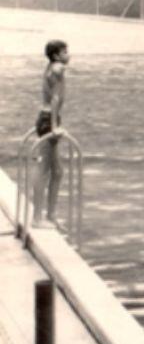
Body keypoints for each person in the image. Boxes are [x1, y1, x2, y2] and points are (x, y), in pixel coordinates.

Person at [34, 40, 69, 226]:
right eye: (65, 52)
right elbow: (55, 99)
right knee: (44, 170)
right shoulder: (58, 69)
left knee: (58, 171)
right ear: (56, 55)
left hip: (45, 118)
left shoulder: (49, 67)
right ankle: (37, 218)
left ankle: (50, 215)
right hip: (49, 120)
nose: (68, 55)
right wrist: (55, 125)